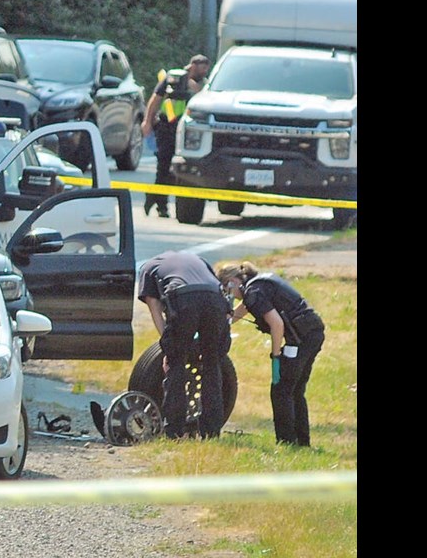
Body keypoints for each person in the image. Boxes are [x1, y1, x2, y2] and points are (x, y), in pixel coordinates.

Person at [216, 261, 325, 447]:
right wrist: (223, 323)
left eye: (226, 287)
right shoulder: (258, 284)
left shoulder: (253, 292)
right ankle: (302, 442)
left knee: (281, 390)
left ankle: (287, 441)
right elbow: (243, 309)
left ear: (233, 280)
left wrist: (276, 356)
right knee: (295, 390)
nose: (227, 293)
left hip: (300, 339)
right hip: (312, 333)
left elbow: (277, 324)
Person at [137, 251, 232, 439]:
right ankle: (211, 431)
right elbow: (215, 290)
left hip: (183, 296)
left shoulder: (147, 269)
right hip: (215, 298)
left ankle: (174, 431)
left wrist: (168, 345)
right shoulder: (198, 260)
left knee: (176, 364)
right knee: (213, 364)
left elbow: (154, 307)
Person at [141, 54, 210, 217]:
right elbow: (155, 99)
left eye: (206, 68)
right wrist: (147, 122)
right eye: (202, 67)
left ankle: (153, 197)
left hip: (188, 132)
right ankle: (161, 205)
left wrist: (196, 88)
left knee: (177, 171)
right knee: (163, 167)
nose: (204, 71)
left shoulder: (205, 84)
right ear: (193, 65)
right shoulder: (174, 78)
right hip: (167, 127)